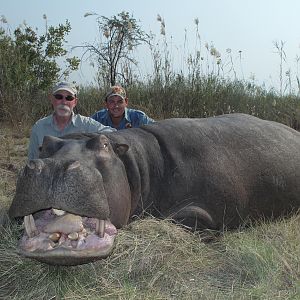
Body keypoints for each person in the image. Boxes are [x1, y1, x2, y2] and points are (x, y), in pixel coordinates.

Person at [28, 81, 116, 160]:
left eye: (69, 98)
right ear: (51, 99)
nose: (63, 101)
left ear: (75, 102)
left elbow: (112, 133)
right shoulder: (39, 127)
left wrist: (87, 139)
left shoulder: (85, 124)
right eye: (59, 97)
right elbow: (32, 160)